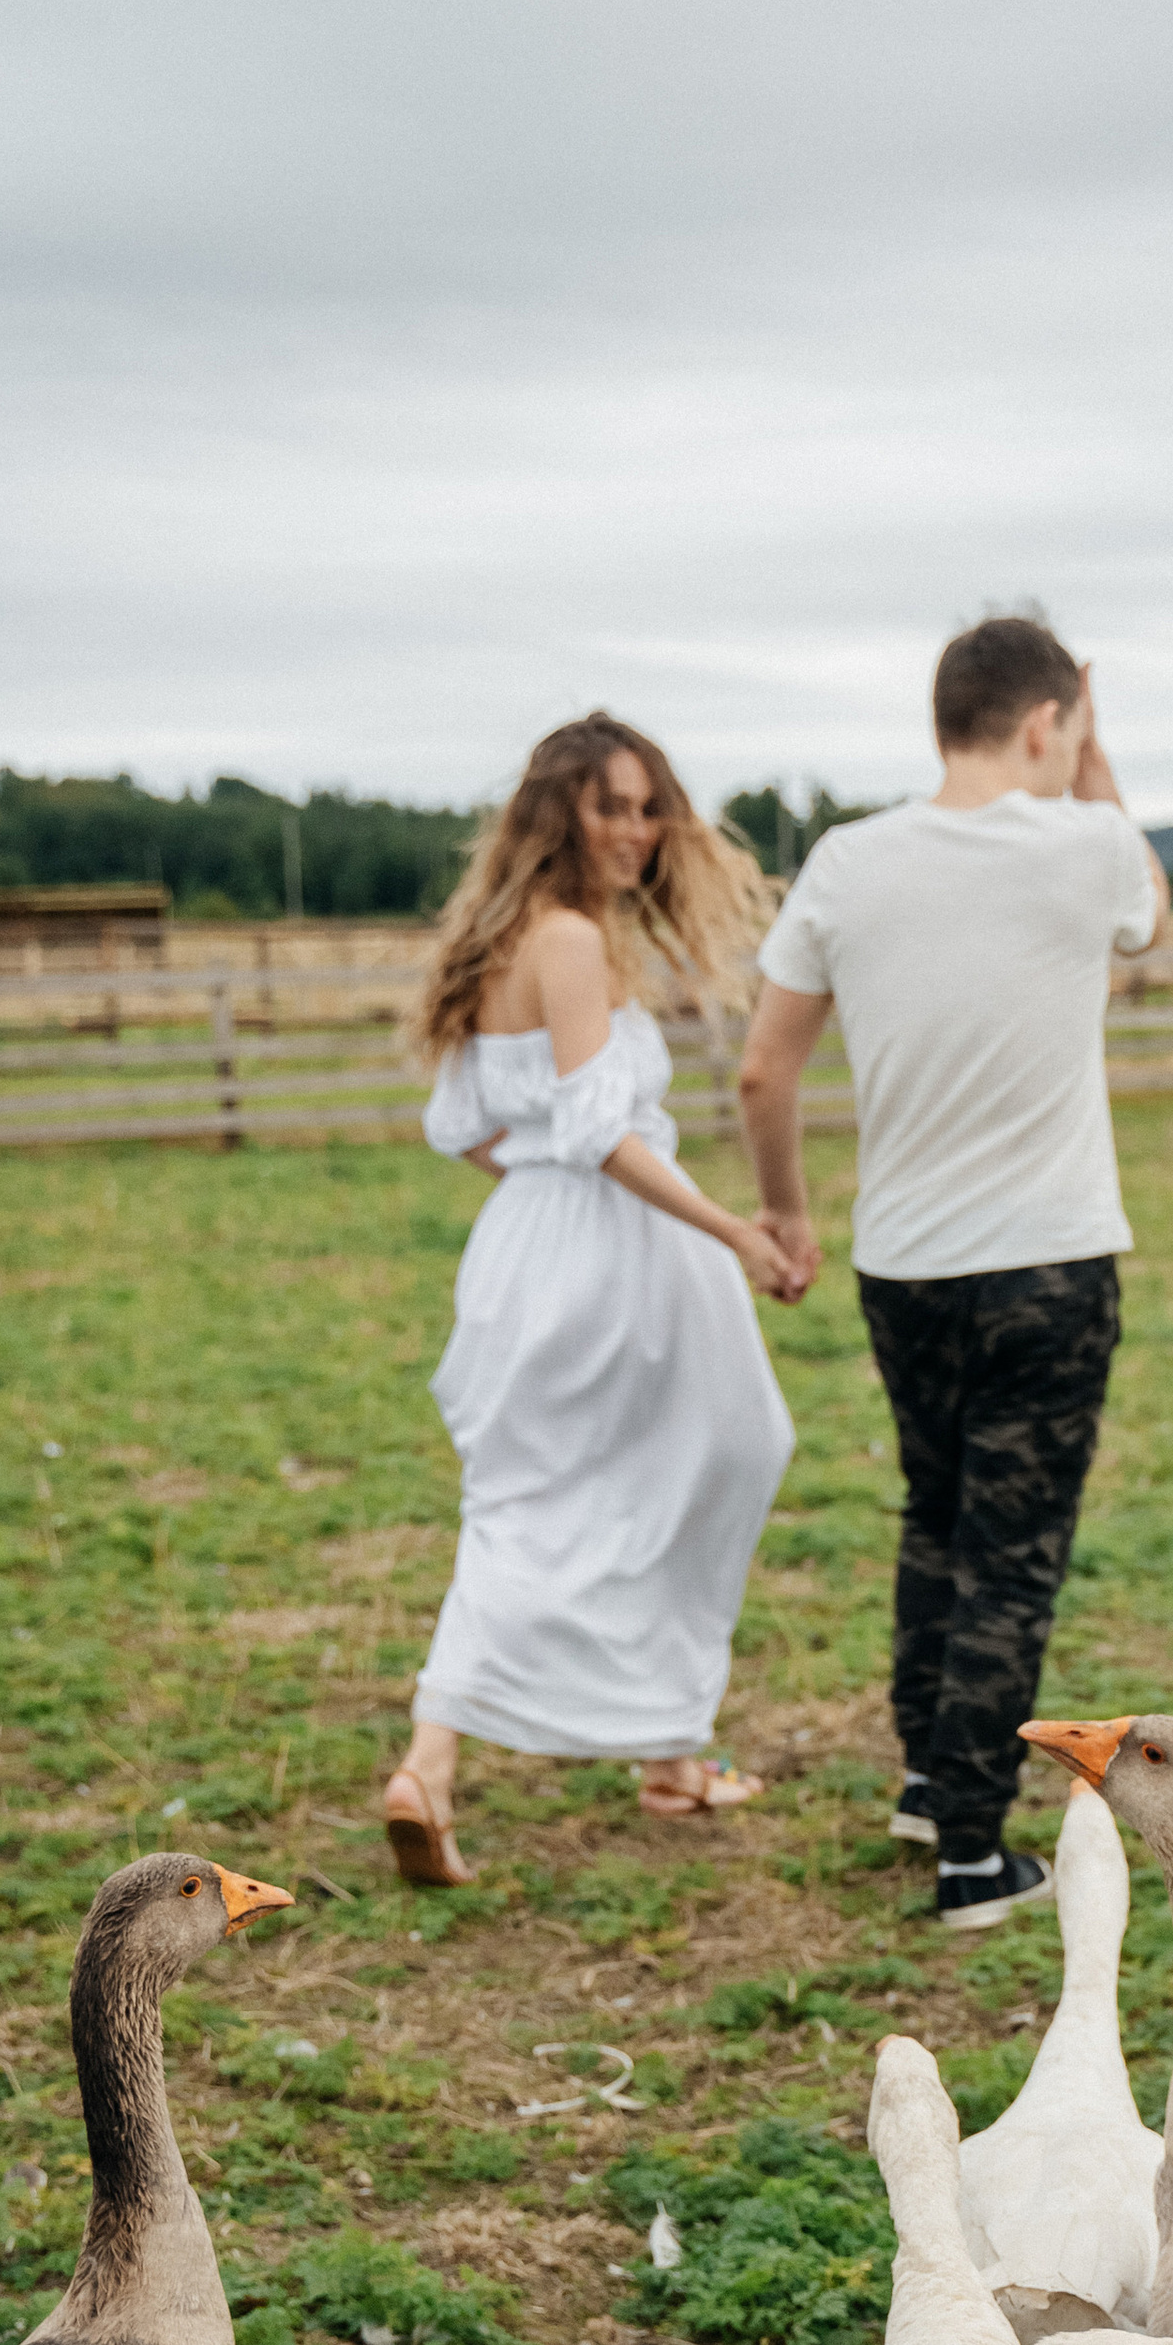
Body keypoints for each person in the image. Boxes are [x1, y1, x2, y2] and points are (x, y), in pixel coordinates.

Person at [737, 618, 1166, 1931]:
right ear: (1044, 724)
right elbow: (1147, 917)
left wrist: (786, 1214)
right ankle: (974, 1855)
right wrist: (1099, 760)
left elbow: (765, 1067)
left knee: (936, 1516)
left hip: (904, 1267)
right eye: (1069, 729)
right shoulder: (1087, 842)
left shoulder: (847, 862)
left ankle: (931, 1773)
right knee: (1012, 1554)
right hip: (1049, 1261)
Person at [381, 712, 808, 1889]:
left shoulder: (504, 937)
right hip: (617, 1252)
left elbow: (462, 1129)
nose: (636, 828)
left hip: (528, 1243)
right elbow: (600, 1129)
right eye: (609, 806)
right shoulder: (569, 940)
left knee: (586, 1478)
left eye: (646, 804)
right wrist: (732, 1229)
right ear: (558, 811)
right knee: (690, 1458)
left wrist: (546, 1187)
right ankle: (572, 1756)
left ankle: (484, 1761)